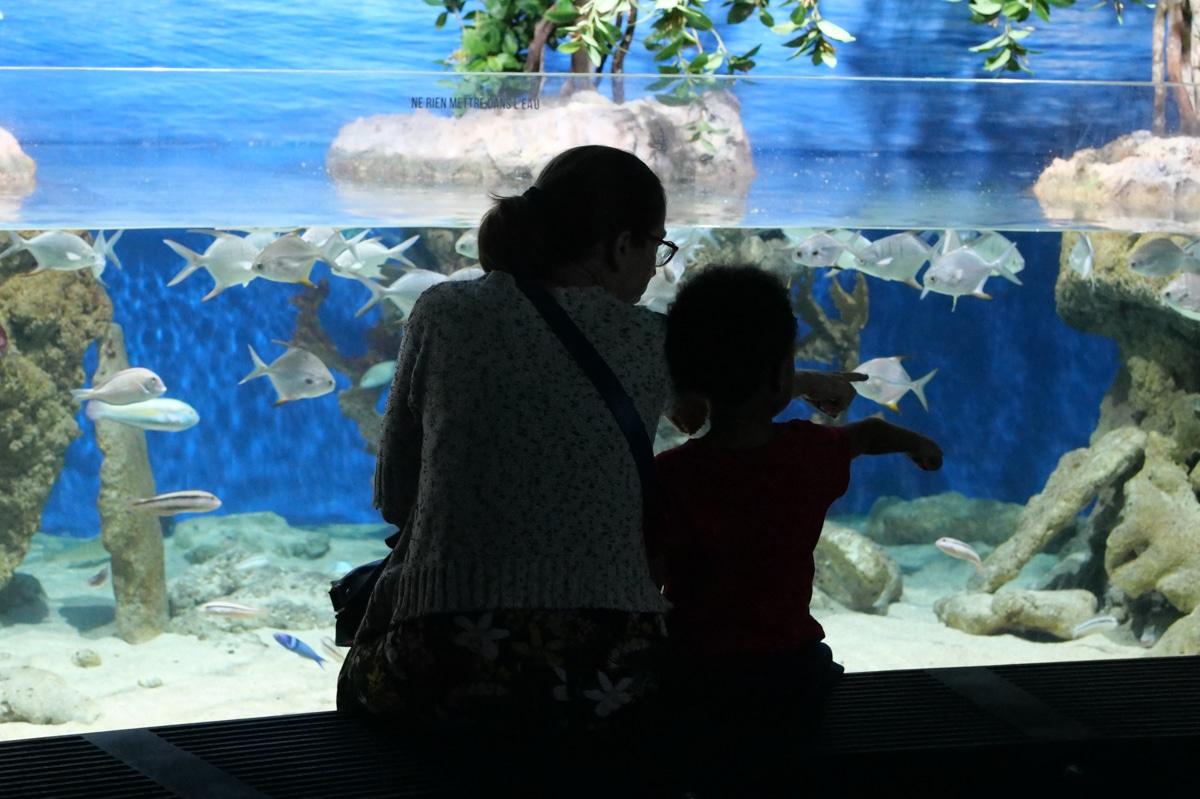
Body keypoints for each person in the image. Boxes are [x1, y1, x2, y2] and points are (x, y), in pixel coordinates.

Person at [336, 146, 863, 788]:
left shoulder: (442, 312)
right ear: (620, 247)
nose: (653, 268)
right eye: (657, 249)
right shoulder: (651, 338)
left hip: (441, 665)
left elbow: (395, 500)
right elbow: (719, 400)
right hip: (610, 675)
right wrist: (803, 382)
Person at [650, 264, 943, 795]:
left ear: (687, 382)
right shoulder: (807, 455)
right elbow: (867, 433)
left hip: (696, 670)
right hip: (789, 669)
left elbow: (650, 575)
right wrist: (917, 443)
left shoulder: (669, 477)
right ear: (785, 378)